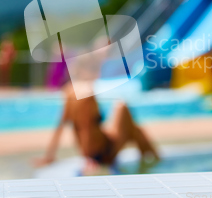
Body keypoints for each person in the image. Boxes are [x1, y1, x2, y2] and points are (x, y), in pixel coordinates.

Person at [35, 36, 159, 172]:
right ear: (83, 70)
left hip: (94, 151)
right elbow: (88, 126)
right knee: (122, 107)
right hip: (103, 153)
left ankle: (150, 159)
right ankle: (154, 161)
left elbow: (60, 126)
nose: (98, 72)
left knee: (134, 129)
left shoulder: (69, 91)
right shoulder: (87, 93)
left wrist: (49, 156)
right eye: (94, 68)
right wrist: (91, 159)